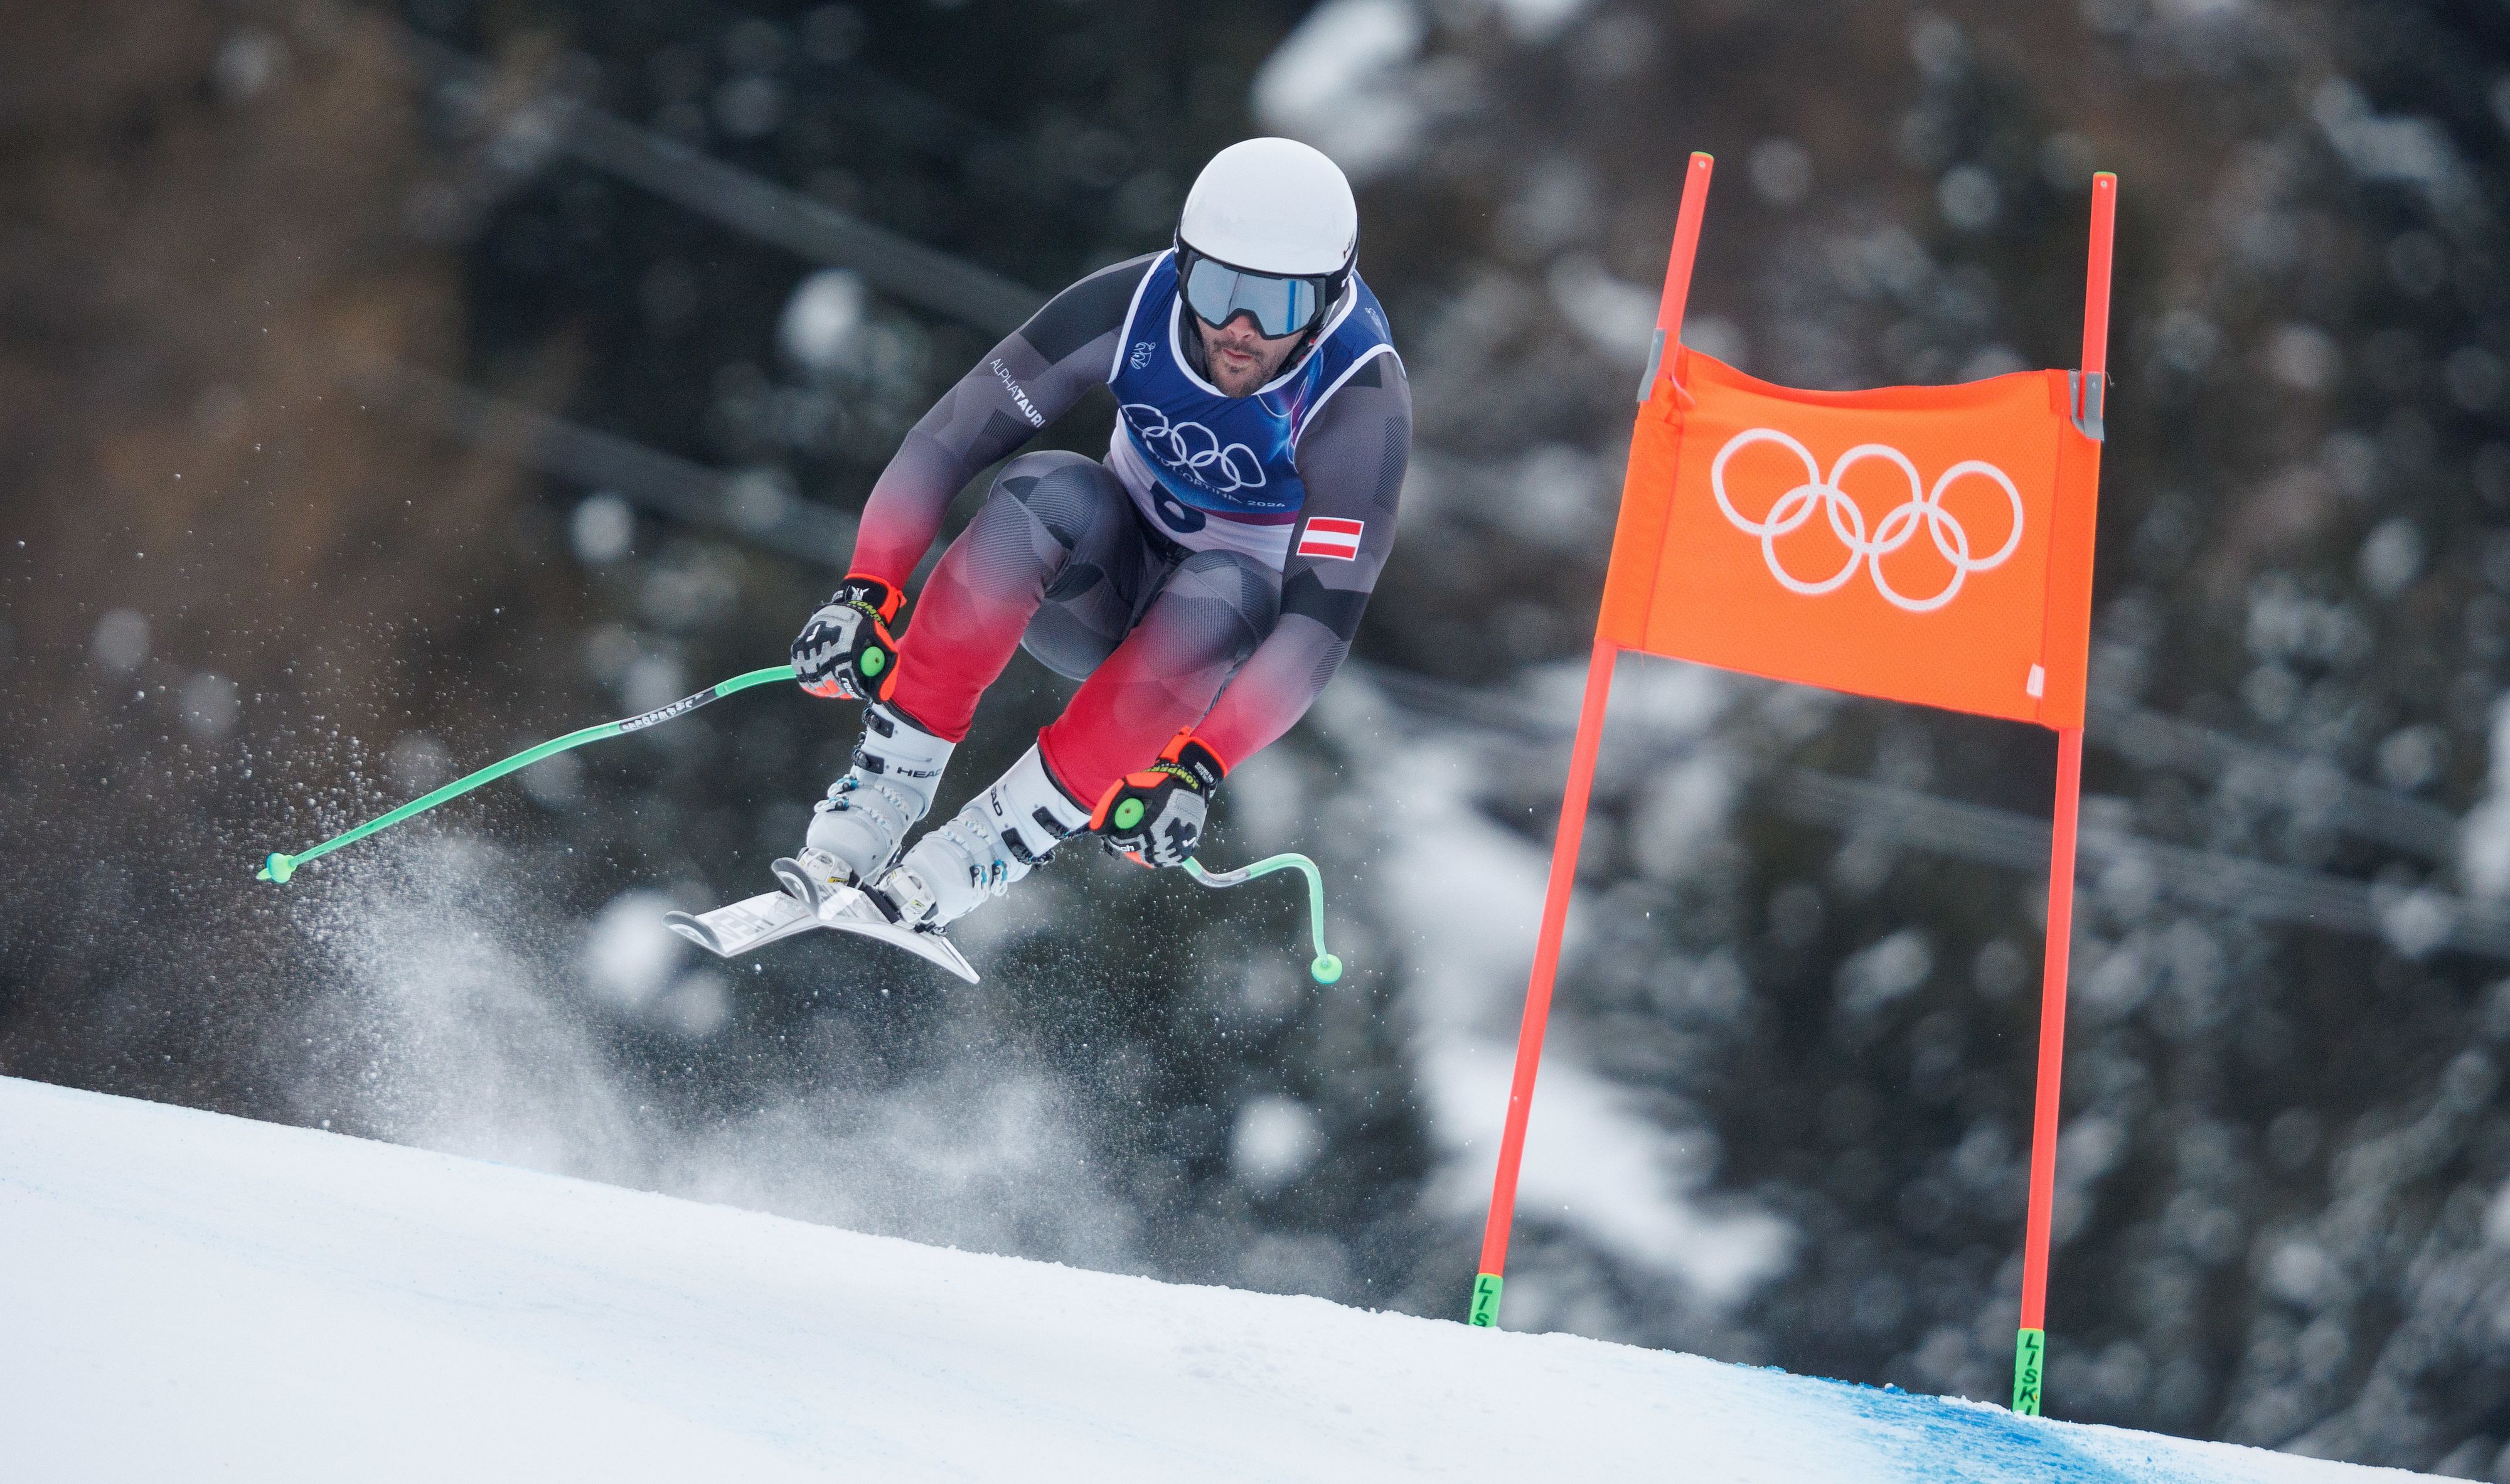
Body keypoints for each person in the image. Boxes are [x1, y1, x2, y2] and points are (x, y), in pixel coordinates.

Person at [783, 137, 1411, 939]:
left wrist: (1198, 765)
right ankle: (878, 797)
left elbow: (1320, 629)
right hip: (1093, 588)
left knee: (1225, 588)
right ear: (1183, 264)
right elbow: (948, 439)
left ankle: (984, 849)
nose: (1239, 329)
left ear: (1327, 301)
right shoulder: (1134, 302)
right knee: (1048, 487)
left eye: (1277, 307)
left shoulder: (1358, 397)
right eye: (1216, 288)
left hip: (1204, 644)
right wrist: (865, 588)